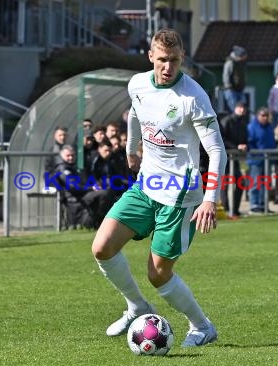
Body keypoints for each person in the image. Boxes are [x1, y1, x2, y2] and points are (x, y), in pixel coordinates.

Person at [91, 28, 226, 347]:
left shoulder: (193, 97)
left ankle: (202, 326)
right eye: (162, 60)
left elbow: (217, 150)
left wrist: (210, 199)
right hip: (147, 185)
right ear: (150, 56)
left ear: (182, 60)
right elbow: (136, 112)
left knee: (158, 274)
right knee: (102, 247)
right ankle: (137, 306)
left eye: (175, 61)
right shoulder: (137, 83)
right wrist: (132, 147)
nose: (168, 67)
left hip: (180, 196)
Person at [53, 145, 114, 229]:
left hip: (83, 195)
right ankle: (99, 221)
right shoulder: (63, 168)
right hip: (75, 198)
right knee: (105, 193)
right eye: (68, 156)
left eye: (72, 155)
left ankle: (102, 221)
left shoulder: (73, 167)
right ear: (62, 155)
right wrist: (91, 188)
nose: (71, 158)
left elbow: (84, 181)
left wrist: (95, 185)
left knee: (108, 192)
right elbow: (73, 187)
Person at [219, 101, 248, 218]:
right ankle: (226, 210)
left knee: (240, 182)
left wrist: (244, 146)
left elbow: (244, 138)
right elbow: (222, 139)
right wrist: (236, 147)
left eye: (244, 108)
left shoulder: (243, 123)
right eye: (240, 107)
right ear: (235, 108)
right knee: (225, 184)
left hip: (235, 158)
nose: (242, 110)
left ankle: (235, 210)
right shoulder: (227, 121)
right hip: (225, 158)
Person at [247, 107, 276, 214]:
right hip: (256, 160)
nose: (265, 117)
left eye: (266, 115)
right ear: (258, 116)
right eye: (263, 115)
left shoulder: (269, 127)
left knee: (266, 183)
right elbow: (250, 142)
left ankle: (263, 204)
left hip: (267, 159)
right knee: (255, 183)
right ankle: (254, 205)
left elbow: (272, 142)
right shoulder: (252, 127)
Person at [222, 45, 248, 113]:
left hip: (240, 89)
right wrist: (229, 87)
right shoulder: (230, 63)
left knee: (243, 108)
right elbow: (226, 76)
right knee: (234, 110)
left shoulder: (241, 63)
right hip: (231, 90)